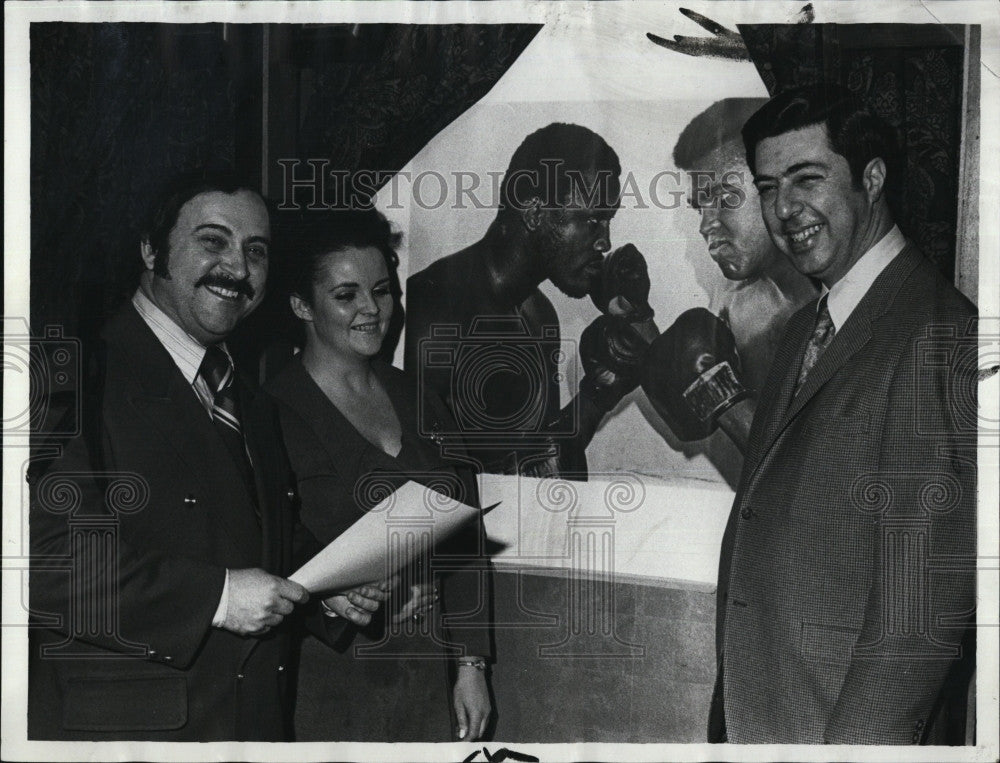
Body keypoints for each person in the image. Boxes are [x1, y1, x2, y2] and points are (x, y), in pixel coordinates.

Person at [27, 171, 392, 741]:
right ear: (151, 248)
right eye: (213, 241)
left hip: (250, 724)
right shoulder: (73, 376)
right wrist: (218, 598)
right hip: (132, 735)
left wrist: (326, 586)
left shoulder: (247, 394)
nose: (239, 269)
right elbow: (42, 561)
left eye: (256, 250)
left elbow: (249, 530)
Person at [667, 84, 975, 743]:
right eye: (769, 185)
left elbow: (917, 615)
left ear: (872, 177)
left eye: (807, 179)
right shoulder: (810, 322)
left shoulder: (935, 331)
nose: (784, 209)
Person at [265, 207, 494, 742]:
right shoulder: (270, 411)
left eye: (382, 290)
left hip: (429, 669)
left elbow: (466, 539)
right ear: (301, 304)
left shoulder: (421, 399)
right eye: (346, 295)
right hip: (328, 673)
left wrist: (471, 663)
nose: (372, 309)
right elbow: (263, 550)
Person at [404, 123, 647, 478]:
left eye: (608, 221)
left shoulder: (539, 314)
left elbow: (543, 459)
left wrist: (600, 391)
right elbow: (423, 480)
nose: (605, 243)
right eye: (594, 219)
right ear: (534, 212)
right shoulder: (433, 308)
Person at [673, 98, 817, 395]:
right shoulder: (736, 313)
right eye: (700, 207)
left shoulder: (855, 301)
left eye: (725, 198)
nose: (705, 225)